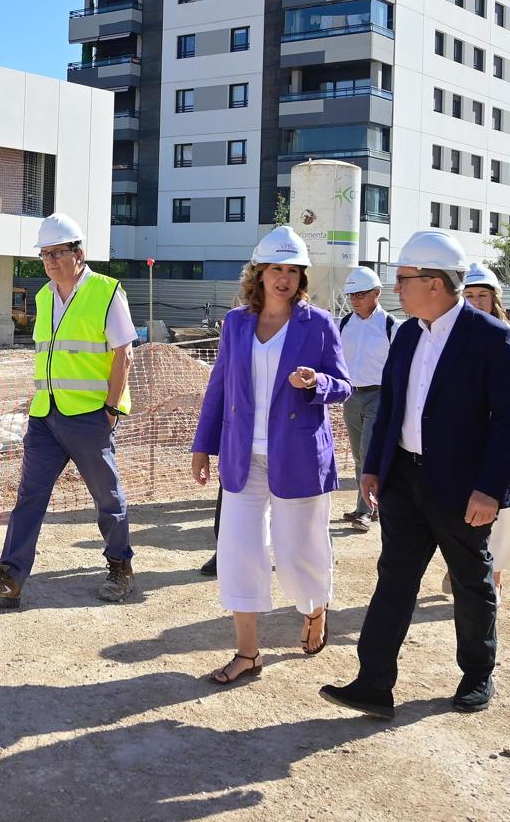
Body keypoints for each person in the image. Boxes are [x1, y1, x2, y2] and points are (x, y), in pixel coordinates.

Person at [321, 231, 510, 720]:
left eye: (404, 279)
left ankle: (477, 674)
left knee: (471, 582)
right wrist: (373, 467)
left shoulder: (493, 339)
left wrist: (491, 491)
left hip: (462, 490)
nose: (397, 289)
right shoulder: (409, 332)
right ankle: (373, 683)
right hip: (403, 483)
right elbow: (391, 404)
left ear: (434, 283)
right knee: (394, 579)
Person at [190, 226, 352, 684]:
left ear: (302, 277)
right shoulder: (236, 323)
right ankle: (247, 653)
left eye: (293, 270)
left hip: (298, 455)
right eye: (276, 269)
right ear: (258, 274)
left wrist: (316, 383)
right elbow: (218, 386)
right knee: (239, 550)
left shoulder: (317, 323)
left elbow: (343, 385)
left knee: (297, 549)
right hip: (243, 456)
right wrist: (203, 446)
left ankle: (315, 607)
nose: (284, 278)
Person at [0, 213, 139, 606]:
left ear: (79, 253)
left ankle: (120, 568)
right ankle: (10, 578)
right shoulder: (44, 297)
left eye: (57, 253)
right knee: (29, 497)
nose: (49, 261)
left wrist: (110, 409)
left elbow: (123, 357)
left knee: (106, 497)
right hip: (46, 416)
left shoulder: (107, 292)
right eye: (44, 254)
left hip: (90, 415)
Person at [456, 263, 510, 597]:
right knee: (458, 504)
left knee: (502, 508)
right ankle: (459, 564)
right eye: (470, 295)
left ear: (495, 299)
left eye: (483, 296)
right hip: (461, 437)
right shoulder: (450, 336)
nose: (476, 302)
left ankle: (495, 571)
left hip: (501, 436)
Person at [337, 267, 397, 533]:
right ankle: (370, 505)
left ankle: (365, 511)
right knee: (359, 455)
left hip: (379, 396)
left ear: (377, 293)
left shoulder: (391, 326)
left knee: (368, 452)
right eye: (352, 295)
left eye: (361, 294)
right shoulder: (344, 324)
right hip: (351, 396)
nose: (355, 299)